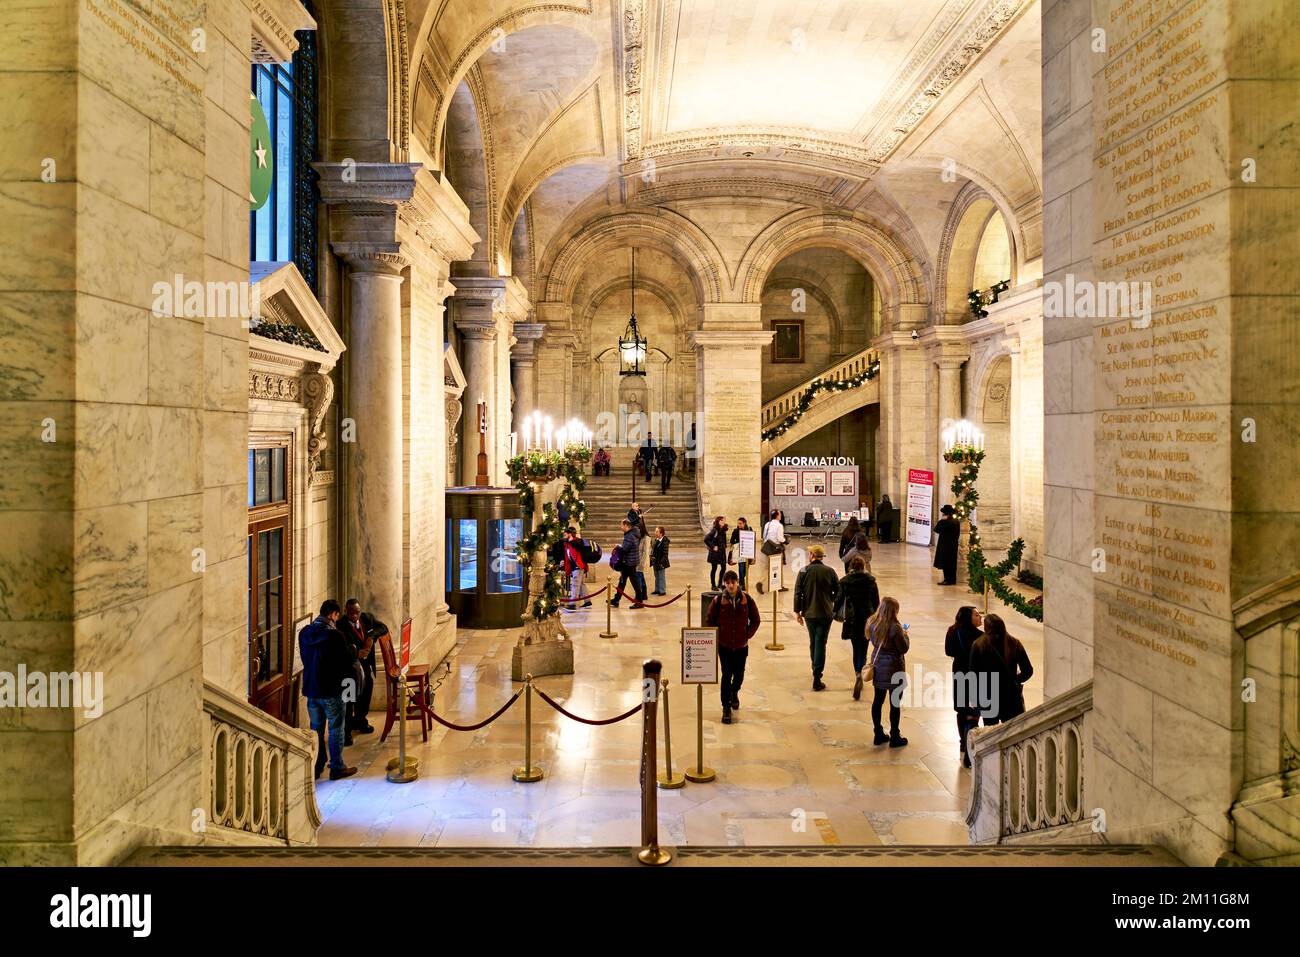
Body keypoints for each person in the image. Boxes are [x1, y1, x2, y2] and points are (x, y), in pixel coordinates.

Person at [299, 599, 358, 780]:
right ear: (333, 614)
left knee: (316, 729)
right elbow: (345, 660)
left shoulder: (304, 633)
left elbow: (304, 658)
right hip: (332, 690)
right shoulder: (335, 636)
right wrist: (354, 649)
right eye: (336, 616)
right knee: (335, 728)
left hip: (311, 689)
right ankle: (337, 767)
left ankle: (317, 766)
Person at [705, 569, 761, 724]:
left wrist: (747, 634)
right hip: (724, 646)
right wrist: (717, 636)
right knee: (726, 675)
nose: (730, 585)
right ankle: (726, 708)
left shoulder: (747, 599)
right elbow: (709, 621)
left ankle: (734, 692)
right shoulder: (718, 601)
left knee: (740, 675)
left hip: (741, 645)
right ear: (724, 584)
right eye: (728, 583)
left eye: (733, 582)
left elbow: (756, 620)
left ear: (737, 583)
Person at [970, 613, 1033, 726]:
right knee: (1012, 734)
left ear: (986, 627)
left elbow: (973, 674)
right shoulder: (1015, 643)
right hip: (1010, 695)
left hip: (988, 696)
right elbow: (1028, 670)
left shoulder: (978, 645)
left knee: (990, 735)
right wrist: (1015, 680)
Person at [794, 543, 839, 691]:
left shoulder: (803, 570)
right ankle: (817, 675)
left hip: (809, 613)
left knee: (813, 641)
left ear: (812, 555)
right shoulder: (830, 571)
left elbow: (797, 593)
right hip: (825, 613)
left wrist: (797, 611)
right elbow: (837, 592)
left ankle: (815, 668)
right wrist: (830, 600)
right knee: (821, 642)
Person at [834, 555, 880, 701]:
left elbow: (839, 599)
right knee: (864, 647)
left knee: (855, 648)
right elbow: (876, 601)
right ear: (863, 566)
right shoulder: (871, 581)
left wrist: (834, 611)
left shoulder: (845, 581)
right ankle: (861, 670)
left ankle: (857, 673)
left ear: (851, 567)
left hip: (852, 620)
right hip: (866, 619)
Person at [866, 596, 909, 747]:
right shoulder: (895, 627)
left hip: (878, 665)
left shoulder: (872, 623)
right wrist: (905, 635)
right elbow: (903, 648)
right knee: (894, 703)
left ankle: (878, 733)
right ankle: (895, 735)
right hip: (894, 667)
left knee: (878, 701)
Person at [945, 606, 984, 767]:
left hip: (959, 673)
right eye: (976, 615)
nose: (980, 617)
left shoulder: (952, 631)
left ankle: (963, 742)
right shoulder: (981, 636)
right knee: (973, 712)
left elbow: (948, 651)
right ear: (969, 618)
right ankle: (970, 743)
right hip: (976, 676)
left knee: (961, 710)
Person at [339, 598, 383, 741]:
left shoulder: (367, 618)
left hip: (365, 667)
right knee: (348, 700)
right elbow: (340, 649)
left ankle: (360, 721)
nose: (354, 616)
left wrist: (371, 636)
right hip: (348, 669)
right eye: (351, 613)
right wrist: (357, 653)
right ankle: (345, 733)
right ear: (346, 612)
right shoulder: (340, 626)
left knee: (365, 696)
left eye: (357, 612)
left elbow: (383, 628)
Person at [610, 519, 646, 608]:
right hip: (629, 561)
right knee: (622, 581)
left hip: (629, 562)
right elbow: (627, 547)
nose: (621, 527)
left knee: (634, 582)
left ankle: (639, 602)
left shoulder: (629, 535)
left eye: (621, 525)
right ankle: (616, 600)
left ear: (626, 525)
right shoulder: (632, 533)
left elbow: (625, 549)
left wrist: (617, 547)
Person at [757, 508, 786, 594]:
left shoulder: (767, 524)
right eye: (780, 514)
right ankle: (780, 585)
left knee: (766, 568)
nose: (780, 515)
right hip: (775, 549)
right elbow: (780, 538)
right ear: (777, 516)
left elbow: (764, 536)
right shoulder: (779, 525)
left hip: (766, 548)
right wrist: (785, 541)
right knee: (778, 567)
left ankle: (761, 582)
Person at [561, 527, 591, 611]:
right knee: (581, 584)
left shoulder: (577, 541)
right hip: (575, 567)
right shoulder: (567, 544)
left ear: (570, 534)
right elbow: (568, 556)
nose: (564, 536)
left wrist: (571, 540)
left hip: (579, 566)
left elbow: (577, 547)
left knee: (575, 584)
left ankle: (572, 604)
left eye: (565, 534)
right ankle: (587, 602)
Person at [933, 504, 961, 584]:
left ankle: (948, 580)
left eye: (943, 513)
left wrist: (942, 520)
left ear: (947, 514)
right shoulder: (956, 521)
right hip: (952, 545)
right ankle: (950, 579)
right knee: (951, 563)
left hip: (946, 546)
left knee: (946, 563)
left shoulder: (947, 522)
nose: (942, 515)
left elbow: (936, 529)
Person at [729, 516, 754, 592]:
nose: (739, 525)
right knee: (741, 567)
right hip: (740, 551)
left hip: (748, 551)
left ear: (744, 523)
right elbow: (732, 541)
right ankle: (742, 584)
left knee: (746, 569)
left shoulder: (749, 529)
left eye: (740, 523)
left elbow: (752, 539)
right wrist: (737, 543)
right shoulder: (736, 531)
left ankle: (741, 579)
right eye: (738, 523)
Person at [704, 515, 729, 590]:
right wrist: (713, 546)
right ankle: (713, 585)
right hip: (715, 553)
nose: (723, 521)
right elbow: (706, 539)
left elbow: (723, 540)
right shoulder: (715, 530)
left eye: (724, 520)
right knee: (714, 568)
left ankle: (720, 583)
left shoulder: (724, 530)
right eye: (721, 520)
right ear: (718, 522)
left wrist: (725, 545)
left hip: (722, 552)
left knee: (724, 567)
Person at [650, 526, 671, 595]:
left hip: (661, 562)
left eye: (657, 531)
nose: (655, 533)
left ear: (661, 533)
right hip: (655, 561)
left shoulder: (665, 541)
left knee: (661, 576)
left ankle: (662, 590)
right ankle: (657, 589)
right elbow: (653, 550)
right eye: (655, 531)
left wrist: (661, 562)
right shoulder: (656, 540)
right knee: (656, 576)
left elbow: (665, 553)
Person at [636, 513, 651, 600]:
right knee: (641, 577)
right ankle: (644, 594)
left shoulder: (646, 538)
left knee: (638, 578)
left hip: (641, 562)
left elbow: (646, 552)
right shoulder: (639, 537)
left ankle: (640, 595)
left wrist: (641, 563)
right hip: (637, 561)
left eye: (638, 529)